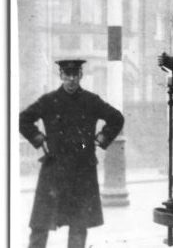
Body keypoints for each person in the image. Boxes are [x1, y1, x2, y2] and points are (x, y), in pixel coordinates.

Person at [19, 59, 125, 248]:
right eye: (67, 75)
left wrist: (101, 138)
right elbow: (23, 120)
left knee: (78, 226)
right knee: (40, 224)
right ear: (60, 76)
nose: (71, 80)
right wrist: (39, 139)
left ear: (80, 76)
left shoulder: (91, 101)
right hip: (53, 169)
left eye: (75, 75)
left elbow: (116, 118)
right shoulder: (49, 100)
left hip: (81, 170)